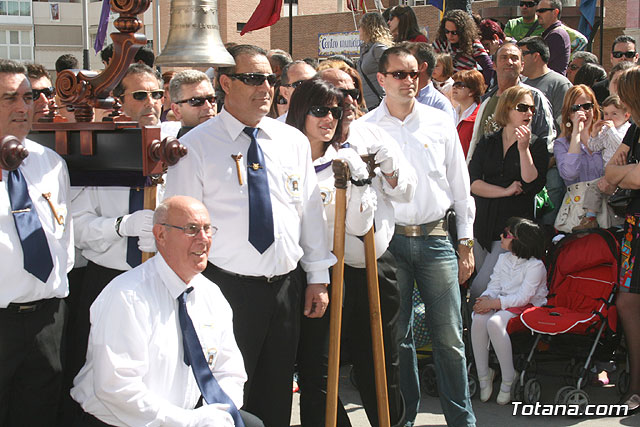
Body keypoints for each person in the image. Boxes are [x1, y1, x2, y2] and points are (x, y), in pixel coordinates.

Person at [164, 44, 336, 427]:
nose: (265, 88)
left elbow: (309, 215)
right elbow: (182, 226)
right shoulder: (196, 146)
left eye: (270, 80)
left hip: (284, 289)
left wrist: (318, 277)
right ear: (226, 82)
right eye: (253, 78)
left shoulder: (291, 142)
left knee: (275, 398)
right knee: (224, 398)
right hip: (225, 290)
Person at [71, 196, 263, 427]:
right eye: (191, 229)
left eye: (207, 229)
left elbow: (230, 371)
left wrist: (218, 414)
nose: (203, 239)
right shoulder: (127, 296)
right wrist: (188, 422)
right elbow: (117, 387)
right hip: (126, 422)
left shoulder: (211, 295)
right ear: (160, 235)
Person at [287, 75, 414, 427]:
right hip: (316, 275)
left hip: (366, 266)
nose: (330, 117)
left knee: (378, 362)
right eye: (319, 110)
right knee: (318, 367)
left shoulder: (354, 149)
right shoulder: (284, 157)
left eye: (336, 109)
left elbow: (372, 217)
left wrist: (362, 182)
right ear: (300, 111)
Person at [360, 46, 476, 427]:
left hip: (437, 239)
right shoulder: (366, 128)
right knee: (399, 340)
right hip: (389, 243)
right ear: (381, 79)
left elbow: (461, 186)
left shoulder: (440, 120)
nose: (408, 81)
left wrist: (466, 242)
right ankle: (403, 419)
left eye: (414, 74)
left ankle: (463, 421)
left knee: (450, 341)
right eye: (399, 74)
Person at [62, 63, 177, 424]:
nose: (150, 103)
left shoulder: (178, 148)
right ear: (119, 100)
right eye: (140, 95)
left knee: (156, 374)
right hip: (106, 279)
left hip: (161, 280)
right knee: (98, 381)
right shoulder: (96, 150)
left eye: (157, 94)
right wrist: (121, 226)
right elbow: (77, 228)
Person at [0, 59, 74, 426]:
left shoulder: (50, 163)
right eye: (9, 98)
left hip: (46, 320)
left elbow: (64, 238)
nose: (22, 107)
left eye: (27, 97)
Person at [467, 85, 548, 303]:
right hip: (482, 223)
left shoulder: (536, 145)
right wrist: (506, 191)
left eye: (532, 109)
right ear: (507, 109)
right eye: (522, 107)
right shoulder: (488, 141)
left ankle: (478, 330)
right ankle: (482, 332)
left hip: (511, 230)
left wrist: (523, 149)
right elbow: (473, 183)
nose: (528, 113)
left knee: (480, 289)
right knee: (491, 287)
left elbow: (532, 182)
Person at [471, 217, 548, 405]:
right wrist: (486, 299)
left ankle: (508, 378)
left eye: (506, 234)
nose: (501, 237)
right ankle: (483, 375)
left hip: (528, 308)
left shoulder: (535, 266)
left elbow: (523, 298)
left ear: (520, 240)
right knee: (479, 318)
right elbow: (495, 284)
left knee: (495, 322)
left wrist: (493, 303)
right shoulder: (503, 258)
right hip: (503, 302)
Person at [604, 65, 640, 413]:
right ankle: (635, 384)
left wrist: (625, 173)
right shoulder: (635, 132)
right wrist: (627, 174)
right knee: (627, 303)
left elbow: (626, 174)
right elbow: (610, 174)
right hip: (633, 226)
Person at [574, 95, 632, 231]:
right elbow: (594, 147)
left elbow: (621, 145)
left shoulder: (627, 130)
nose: (609, 118)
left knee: (618, 197)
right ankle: (590, 218)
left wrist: (611, 130)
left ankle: (620, 222)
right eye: (606, 114)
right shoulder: (606, 130)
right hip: (608, 172)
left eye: (614, 114)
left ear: (627, 115)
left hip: (623, 173)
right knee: (594, 189)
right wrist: (594, 133)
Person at [517, 36, 571, 130]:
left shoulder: (560, 84)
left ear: (535, 56)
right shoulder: (520, 85)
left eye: (522, 55)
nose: (518, 60)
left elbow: (565, 124)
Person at [554, 85, 603, 188]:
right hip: (580, 201)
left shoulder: (605, 137)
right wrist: (576, 132)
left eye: (586, 106)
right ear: (568, 113)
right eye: (575, 108)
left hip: (608, 200)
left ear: (593, 109)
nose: (582, 112)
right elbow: (570, 174)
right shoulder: (562, 144)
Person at [433, 9, 495, 86]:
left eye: (454, 32)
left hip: (464, 87)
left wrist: (484, 87)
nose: (450, 35)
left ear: (463, 31)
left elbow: (488, 67)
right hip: (442, 87)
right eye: (447, 31)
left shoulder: (473, 44)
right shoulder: (440, 42)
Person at [402, 42, 455, 118]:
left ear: (422, 67)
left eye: (409, 62)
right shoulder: (396, 99)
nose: (402, 66)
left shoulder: (439, 105)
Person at [357, 11, 393, 110]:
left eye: (360, 26)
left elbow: (393, 71)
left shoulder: (378, 48)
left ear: (368, 27)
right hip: (366, 104)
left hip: (378, 103)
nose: (358, 29)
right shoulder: (365, 49)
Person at [169, 70, 217, 138]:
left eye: (211, 99)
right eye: (196, 101)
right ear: (177, 110)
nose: (208, 106)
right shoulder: (174, 147)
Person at [592, 36, 639, 104]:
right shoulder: (598, 90)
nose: (623, 58)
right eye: (618, 54)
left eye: (629, 54)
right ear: (611, 57)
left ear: (636, 57)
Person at [451, 69, 485, 157]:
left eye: (459, 85)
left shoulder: (479, 117)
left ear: (472, 91)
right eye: (454, 84)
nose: (454, 87)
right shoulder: (451, 114)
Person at [536, 0, 570, 75]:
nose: (538, 14)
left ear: (555, 12)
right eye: (537, 10)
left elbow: (538, 63)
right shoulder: (550, 33)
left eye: (542, 10)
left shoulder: (557, 35)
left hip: (552, 84)